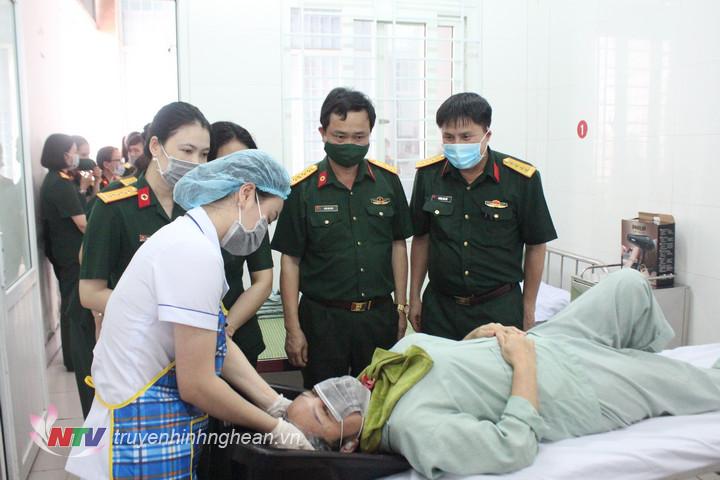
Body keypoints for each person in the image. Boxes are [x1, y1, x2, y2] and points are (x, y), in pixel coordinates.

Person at [282, 269, 720, 478]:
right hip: (571, 386)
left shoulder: (380, 375)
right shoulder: (415, 428)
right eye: (324, 412)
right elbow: (513, 447)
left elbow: (450, 366)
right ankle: (642, 375)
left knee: (628, 285)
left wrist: (476, 338)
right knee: (704, 385)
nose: (328, 394)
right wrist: (523, 363)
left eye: (314, 394)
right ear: (349, 445)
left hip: (546, 342)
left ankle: (640, 365)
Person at [65, 150, 312, 480]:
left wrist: (274, 403)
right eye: (267, 218)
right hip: (139, 431)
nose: (262, 230)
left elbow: (214, 341)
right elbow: (197, 385)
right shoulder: (193, 252)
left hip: (143, 418)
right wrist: (274, 427)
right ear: (246, 193)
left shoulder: (188, 238)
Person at [271, 87, 414, 389]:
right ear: (322, 133)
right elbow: (290, 261)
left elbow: (398, 245)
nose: (350, 144)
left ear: (370, 134)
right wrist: (292, 328)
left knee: (379, 403)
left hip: (378, 317)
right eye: (340, 136)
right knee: (322, 405)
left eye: (359, 137)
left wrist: (400, 308)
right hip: (323, 321)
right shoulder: (302, 189)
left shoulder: (387, 182)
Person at [74, 101, 210, 416]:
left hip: (190, 349)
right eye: (187, 151)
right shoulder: (114, 207)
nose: (195, 163)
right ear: (155, 146)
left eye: (204, 154)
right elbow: (89, 292)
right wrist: (164, 313)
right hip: (135, 351)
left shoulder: (200, 206)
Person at [408, 92, 557, 339]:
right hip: (441, 309)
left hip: (498, 309)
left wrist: (528, 307)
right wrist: (414, 297)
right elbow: (421, 238)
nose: (456, 144)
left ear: (487, 134)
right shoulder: (428, 176)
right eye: (448, 137)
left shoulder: (521, 179)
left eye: (466, 136)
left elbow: (536, 245)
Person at [208, 121, 269, 367]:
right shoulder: (184, 208)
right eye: (227, 163)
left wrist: (226, 330)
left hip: (238, 334)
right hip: (187, 339)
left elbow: (263, 280)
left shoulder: (250, 210)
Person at [39, 134, 88, 371]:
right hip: (70, 253)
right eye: (74, 151)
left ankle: (73, 356)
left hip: (63, 250)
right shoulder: (59, 184)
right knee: (72, 306)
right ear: (63, 154)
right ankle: (74, 358)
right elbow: (82, 223)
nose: (76, 155)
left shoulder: (57, 179)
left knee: (70, 302)